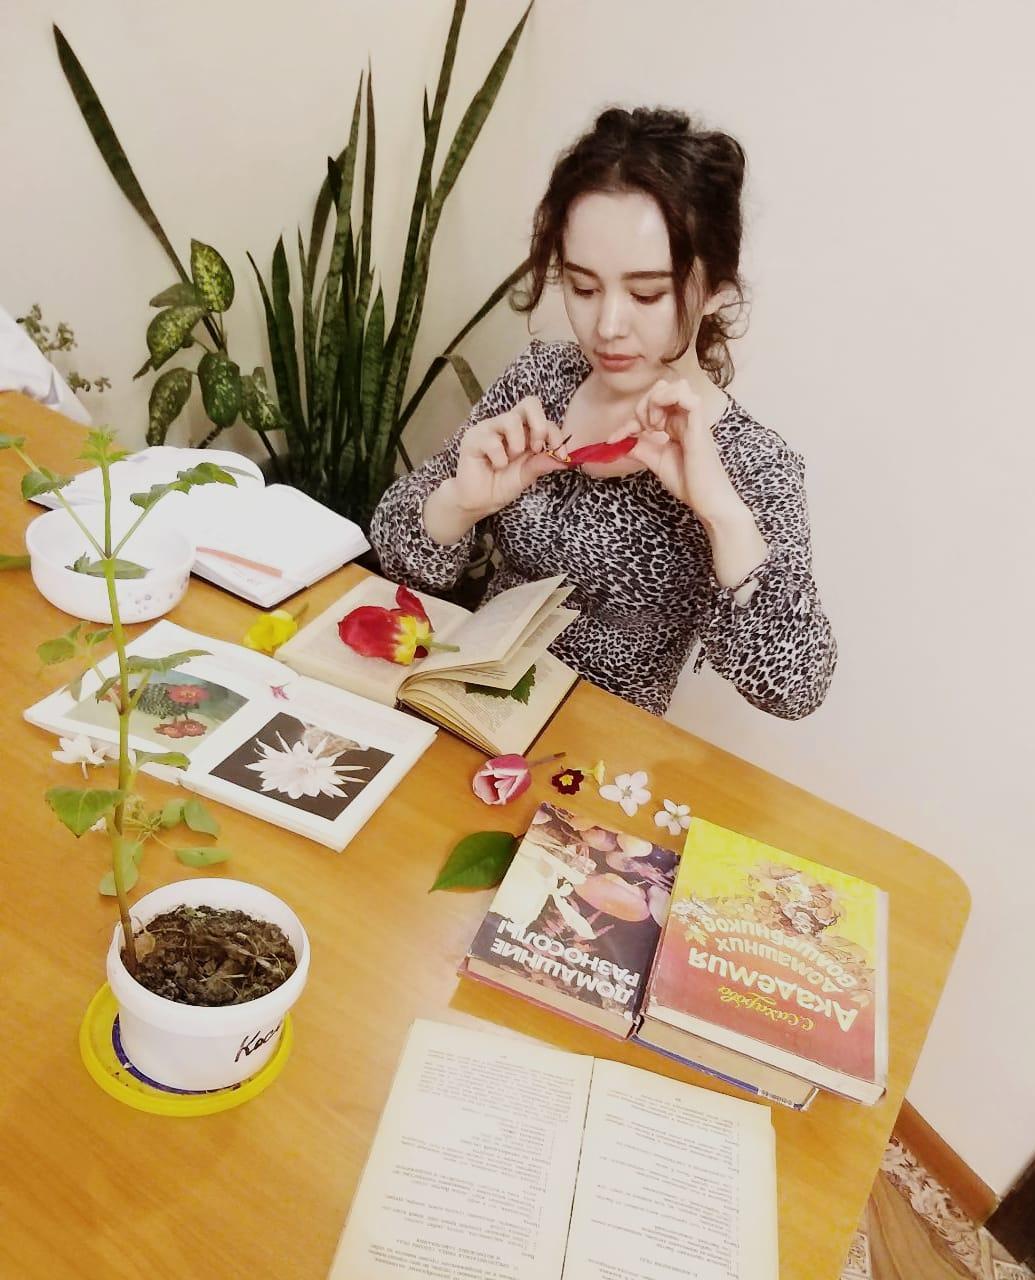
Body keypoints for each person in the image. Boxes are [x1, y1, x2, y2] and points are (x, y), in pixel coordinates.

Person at [370, 107, 836, 718]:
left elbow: (796, 689)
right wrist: (461, 502)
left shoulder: (752, 462)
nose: (607, 326)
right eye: (584, 288)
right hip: (466, 707)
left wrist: (721, 514)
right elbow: (395, 550)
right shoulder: (541, 380)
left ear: (717, 291)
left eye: (647, 294)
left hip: (598, 752)